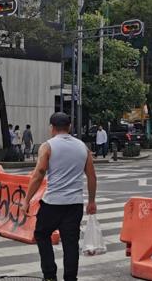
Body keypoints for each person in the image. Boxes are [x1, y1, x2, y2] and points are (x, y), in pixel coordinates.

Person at [21, 112, 97, 281]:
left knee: (41, 234)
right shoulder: (82, 147)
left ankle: (49, 275)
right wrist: (91, 201)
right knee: (71, 243)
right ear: (69, 127)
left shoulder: (47, 146)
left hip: (53, 203)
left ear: (51, 128)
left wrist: (26, 200)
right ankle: (71, 278)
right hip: (75, 204)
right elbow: (92, 176)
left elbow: (39, 173)